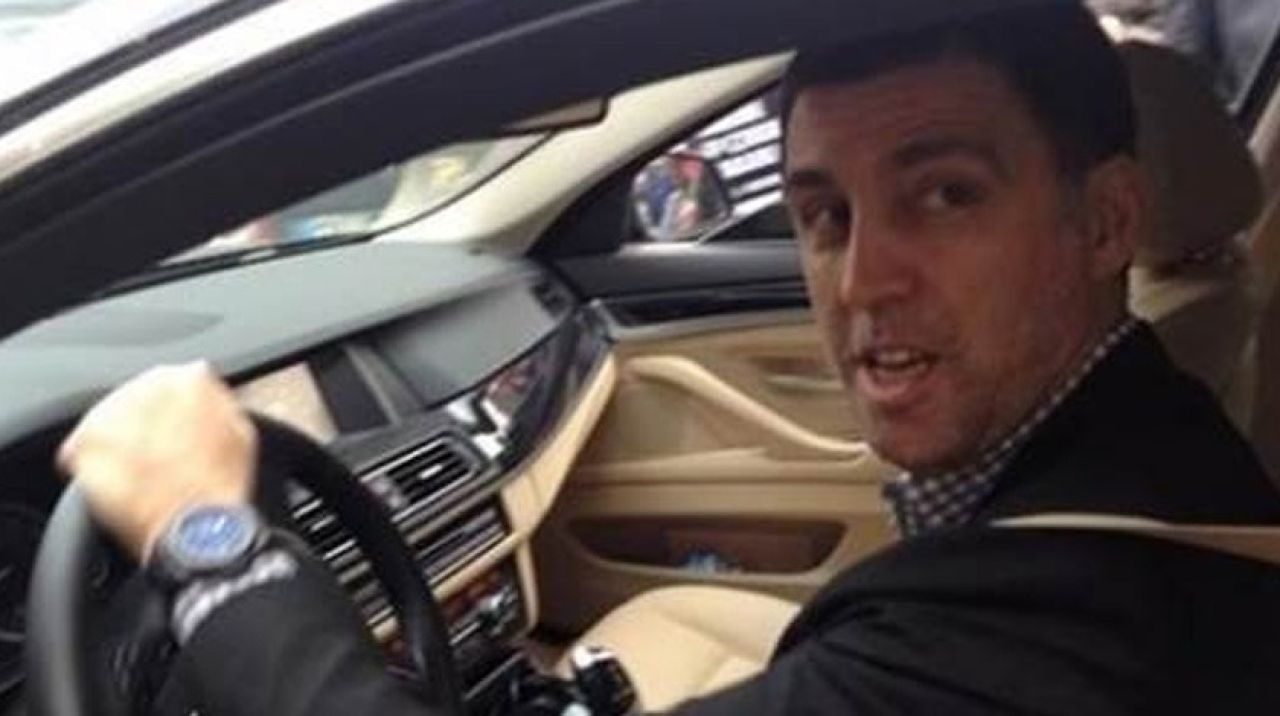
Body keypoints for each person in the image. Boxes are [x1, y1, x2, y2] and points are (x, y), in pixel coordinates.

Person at [57, 2, 1280, 714]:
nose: (861, 280)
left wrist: (210, 538)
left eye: (944, 194)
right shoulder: (1148, 437)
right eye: (822, 213)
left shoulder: (1029, 639)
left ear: (1105, 220)